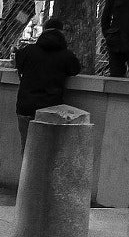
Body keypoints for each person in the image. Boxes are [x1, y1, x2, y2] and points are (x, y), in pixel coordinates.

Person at [12, 18, 82, 147]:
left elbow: (18, 63)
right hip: (51, 107)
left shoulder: (28, 51)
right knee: (47, 151)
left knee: (27, 149)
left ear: (43, 31)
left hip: (26, 106)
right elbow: (75, 69)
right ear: (62, 33)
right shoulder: (66, 55)